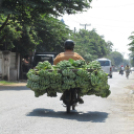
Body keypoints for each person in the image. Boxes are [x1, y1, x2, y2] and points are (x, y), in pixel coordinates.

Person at [54, 39, 85, 104]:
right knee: (79, 84)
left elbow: (54, 63)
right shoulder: (77, 55)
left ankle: (63, 94)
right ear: (73, 47)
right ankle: (79, 96)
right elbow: (83, 63)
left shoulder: (60, 55)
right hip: (75, 76)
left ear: (65, 47)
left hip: (62, 75)